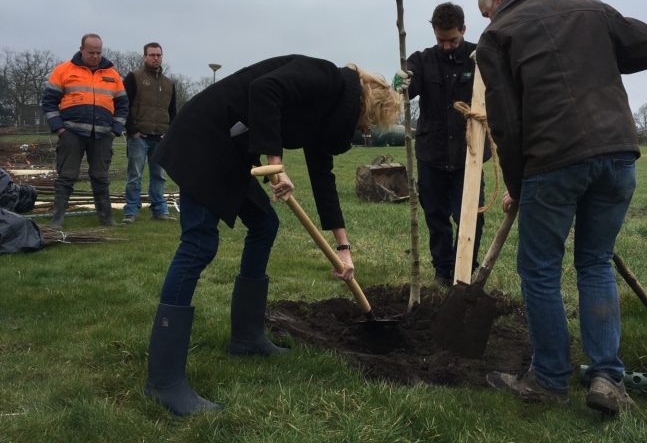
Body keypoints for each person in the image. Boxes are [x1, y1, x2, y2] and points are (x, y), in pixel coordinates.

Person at [144, 55, 402, 416]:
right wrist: (276, 163)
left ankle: (246, 338)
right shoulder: (322, 77)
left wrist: (344, 248)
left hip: (231, 149)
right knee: (199, 244)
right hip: (205, 137)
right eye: (370, 123)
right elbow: (265, 90)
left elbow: (323, 178)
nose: (366, 131)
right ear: (365, 106)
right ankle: (164, 381)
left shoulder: (325, 113)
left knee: (265, 225)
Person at [475, 0, 647, 414]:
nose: (488, 19)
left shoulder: (497, 36)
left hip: (554, 158)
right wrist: (595, 58)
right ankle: (606, 378)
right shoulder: (592, 10)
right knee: (595, 261)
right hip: (618, 153)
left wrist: (517, 184)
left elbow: (504, 121)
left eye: (486, 11)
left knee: (540, 268)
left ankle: (548, 379)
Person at [395, 2, 486, 286]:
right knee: (435, 216)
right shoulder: (421, 61)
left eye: (452, 40)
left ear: (463, 30)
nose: (447, 46)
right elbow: (408, 87)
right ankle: (443, 271)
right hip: (431, 153)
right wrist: (402, 81)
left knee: (471, 217)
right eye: (441, 40)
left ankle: (465, 271)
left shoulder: (479, 58)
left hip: (468, 155)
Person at [42, 34, 128, 228]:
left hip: (102, 135)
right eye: (91, 52)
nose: (95, 56)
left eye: (99, 52)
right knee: (66, 177)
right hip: (71, 133)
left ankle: (106, 220)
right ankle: (57, 221)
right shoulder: (63, 70)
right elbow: (48, 102)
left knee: (101, 177)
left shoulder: (112, 74)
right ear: (81, 49)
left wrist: (115, 130)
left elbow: (123, 105)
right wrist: (59, 128)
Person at [122, 42, 177, 223]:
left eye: (159, 55)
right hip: (139, 137)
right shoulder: (134, 77)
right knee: (134, 176)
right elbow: (124, 106)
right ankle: (131, 211)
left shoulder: (169, 83)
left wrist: (169, 133)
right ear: (144, 56)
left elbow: (172, 111)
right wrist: (132, 130)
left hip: (160, 137)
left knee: (159, 176)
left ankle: (160, 211)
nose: (156, 58)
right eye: (152, 55)